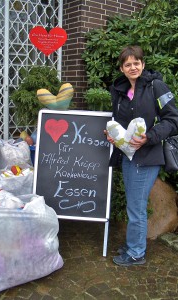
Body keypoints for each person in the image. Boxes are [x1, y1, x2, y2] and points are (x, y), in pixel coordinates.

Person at [104, 45, 178, 266]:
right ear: (122, 68)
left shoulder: (156, 86)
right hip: (127, 155)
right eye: (128, 64)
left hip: (147, 156)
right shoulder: (120, 91)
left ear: (143, 65)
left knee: (136, 207)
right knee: (133, 204)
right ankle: (133, 244)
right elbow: (122, 123)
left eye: (136, 62)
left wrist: (150, 136)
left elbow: (173, 119)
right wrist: (113, 135)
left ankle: (136, 252)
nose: (133, 67)